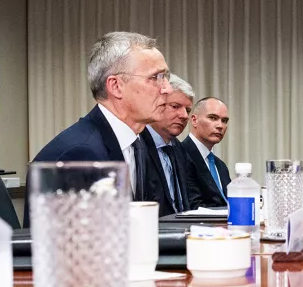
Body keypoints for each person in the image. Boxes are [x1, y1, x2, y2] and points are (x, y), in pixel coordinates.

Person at [28, 32, 173, 223]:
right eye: (156, 77)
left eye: (165, 77)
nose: (168, 89)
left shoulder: (142, 140)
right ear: (116, 86)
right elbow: (78, 237)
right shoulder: (78, 155)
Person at [142, 75, 207, 214]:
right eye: (175, 106)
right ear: (157, 104)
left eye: (187, 110)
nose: (184, 116)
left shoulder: (180, 149)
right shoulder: (137, 144)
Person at [179, 96, 231, 207]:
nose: (220, 126)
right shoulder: (180, 155)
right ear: (194, 120)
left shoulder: (221, 166)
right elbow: (194, 207)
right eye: (213, 118)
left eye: (224, 121)